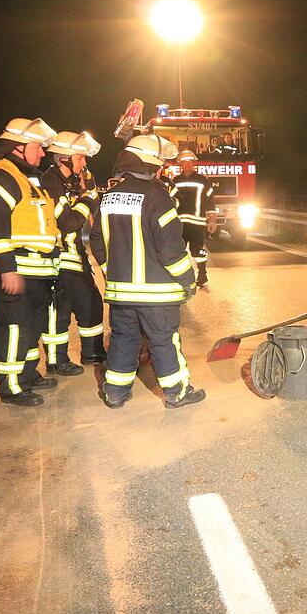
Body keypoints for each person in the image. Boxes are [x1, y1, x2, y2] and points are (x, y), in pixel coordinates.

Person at [90, 134, 206, 409]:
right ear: (149, 164)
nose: (162, 169)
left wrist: (110, 270)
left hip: (121, 292)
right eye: (160, 164)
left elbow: (97, 240)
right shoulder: (158, 197)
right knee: (164, 341)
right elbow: (170, 249)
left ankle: (115, 394)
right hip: (157, 294)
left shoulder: (107, 198)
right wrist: (187, 279)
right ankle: (177, 393)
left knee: (123, 339)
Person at [0, 117, 61, 407]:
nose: (42, 153)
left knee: (31, 325)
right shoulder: (1, 177)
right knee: (14, 327)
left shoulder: (26, 179)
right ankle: (11, 387)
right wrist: (7, 269)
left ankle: (27, 374)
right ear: (18, 147)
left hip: (37, 272)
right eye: (37, 147)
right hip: (17, 270)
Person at [40, 131, 106, 374]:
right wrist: (86, 199)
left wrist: (87, 191)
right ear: (64, 159)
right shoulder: (51, 183)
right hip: (59, 260)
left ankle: (93, 353)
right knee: (59, 313)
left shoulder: (68, 182)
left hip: (74, 258)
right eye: (80, 158)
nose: (84, 163)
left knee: (90, 305)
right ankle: (57, 361)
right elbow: (67, 222)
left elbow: (91, 207)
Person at [172, 149, 219, 286]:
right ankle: (181, 278)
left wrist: (212, 221)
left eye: (189, 162)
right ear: (180, 164)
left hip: (197, 224)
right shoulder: (175, 181)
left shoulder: (202, 181)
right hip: (179, 225)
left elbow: (211, 201)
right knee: (178, 253)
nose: (186, 165)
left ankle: (202, 274)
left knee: (197, 251)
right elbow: (169, 201)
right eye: (184, 162)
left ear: (193, 163)